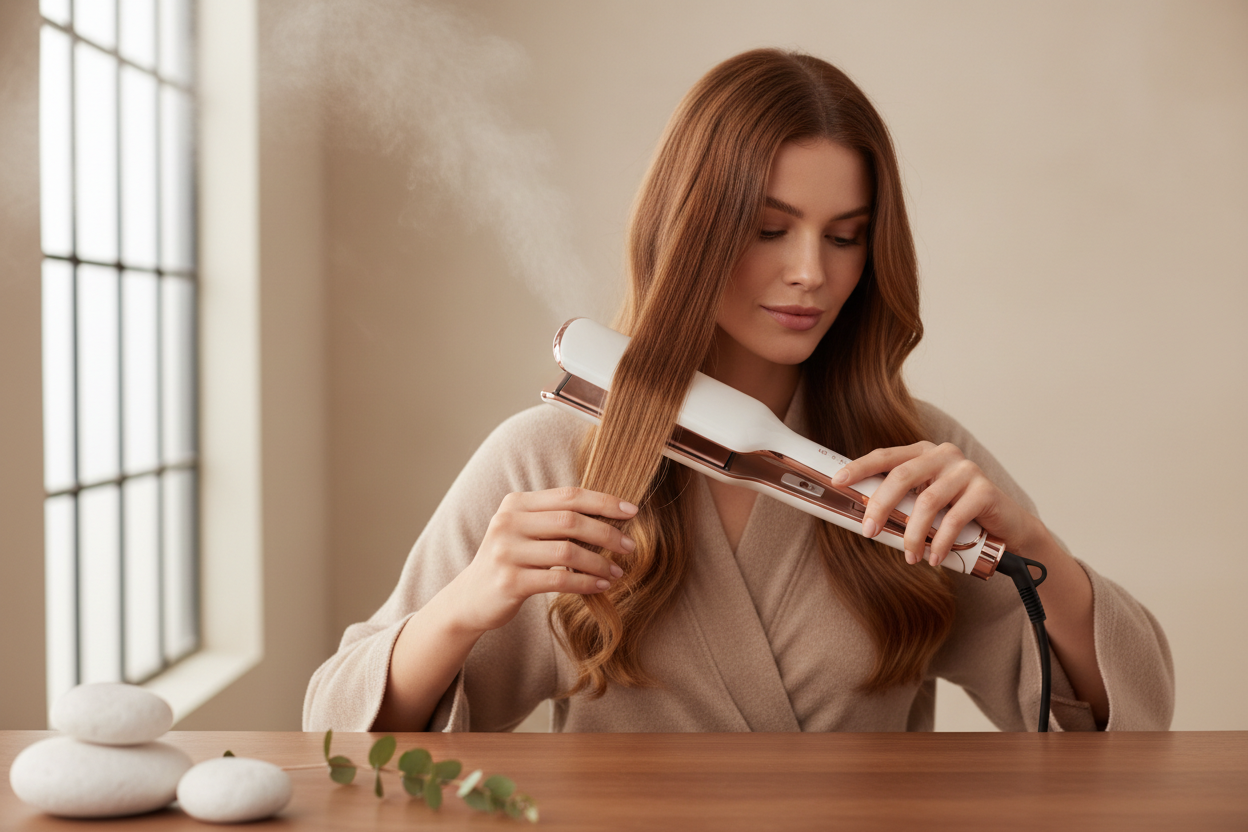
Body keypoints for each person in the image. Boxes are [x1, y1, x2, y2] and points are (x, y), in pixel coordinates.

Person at [304, 49, 1173, 733]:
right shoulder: (548, 458)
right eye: (768, 230)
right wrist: (466, 604)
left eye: (845, 237)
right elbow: (335, 730)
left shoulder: (913, 467)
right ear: (692, 230)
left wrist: (1033, 546)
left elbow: (1131, 720)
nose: (810, 274)